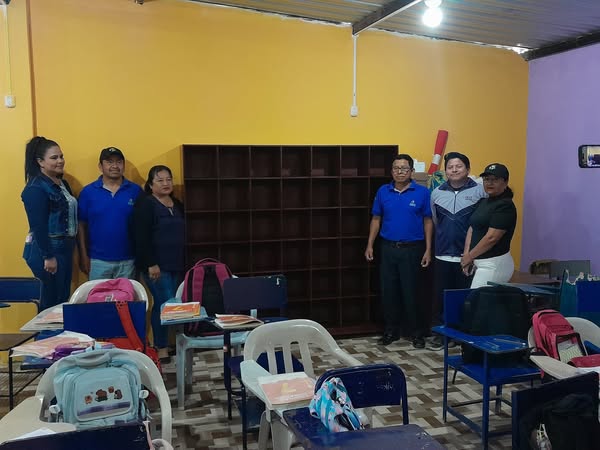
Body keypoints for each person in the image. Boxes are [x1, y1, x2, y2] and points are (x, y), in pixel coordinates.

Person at [365, 154, 433, 349]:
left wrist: (428, 249)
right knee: (389, 292)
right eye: (396, 168)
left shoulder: (422, 192)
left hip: (413, 249)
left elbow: (428, 221)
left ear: (411, 171)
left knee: (412, 293)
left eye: (404, 168)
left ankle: (417, 333)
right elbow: (376, 219)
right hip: (388, 248)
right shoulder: (383, 191)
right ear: (391, 171)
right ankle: (391, 331)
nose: (400, 172)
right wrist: (370, 244)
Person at [428, 152, 487, 351]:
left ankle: (461, 335)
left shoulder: (480, 192)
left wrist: (471, 254)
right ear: (446, 171)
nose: (454, 170)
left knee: (464, 298)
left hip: (468, 256)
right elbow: (436, 221)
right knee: (441, 297)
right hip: (442, 254)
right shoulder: (436, 193)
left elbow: (481, 225)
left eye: (459, 166)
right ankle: (441, 335)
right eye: (450, 167)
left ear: (468, 169)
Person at [132, 165, 185, 362]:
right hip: (156, 266)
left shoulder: (177, 204)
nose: (165, 183)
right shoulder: (146, 205)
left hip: (177, 263)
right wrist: (151, 263)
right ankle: (161, 346)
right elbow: (141, 237)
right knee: (164, 303)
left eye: (168, 179)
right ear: (150, 184)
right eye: (160, 180)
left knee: (174, 304)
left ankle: (173, 343)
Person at [21, 137, 77, 310]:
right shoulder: (35, 188)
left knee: (61, 300)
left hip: (64, 248)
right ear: (40, 162)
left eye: (61, 156)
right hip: (48, 250)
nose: (60, 161)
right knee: (50, 303)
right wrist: (48, 256)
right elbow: (38, 225)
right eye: (54, 158)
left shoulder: (62, 183)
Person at [77, 147, 142, 280]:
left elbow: (143, 225)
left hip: (128, 261)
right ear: (100, 166)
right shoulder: (88, 192)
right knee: (98, 294)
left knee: (126, 294)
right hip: (97, 261)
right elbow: (81, 225)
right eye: (109, 162)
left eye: (119, 162)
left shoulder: (136, 191)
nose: (115, 166)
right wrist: (83, 256)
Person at [460, 163, 517, 288]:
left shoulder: (505, 206)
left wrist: (470, 256)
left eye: (495, 180)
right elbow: (472, 227)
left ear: (505, 182)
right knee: (475, 298)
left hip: (493, 264)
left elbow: (492, 237)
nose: (490, 183)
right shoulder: (483, 201)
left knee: (476, 297)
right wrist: (467, 255)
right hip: (477, 261)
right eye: (486, 179)